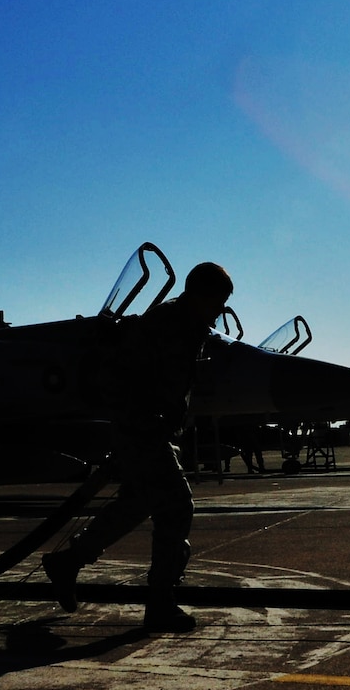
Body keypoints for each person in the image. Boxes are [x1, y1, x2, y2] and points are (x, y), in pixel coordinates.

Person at [43, 262, 235, 634]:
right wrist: (139, 423)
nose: (219, 310)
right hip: (142, 431)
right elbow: (115, 376)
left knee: (137, 503)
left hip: (150, 432)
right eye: (217, 301)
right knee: (177, 506)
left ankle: (68, 563)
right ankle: (160, 603)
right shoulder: (163, 325)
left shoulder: (190, 329)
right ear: (199, 295)